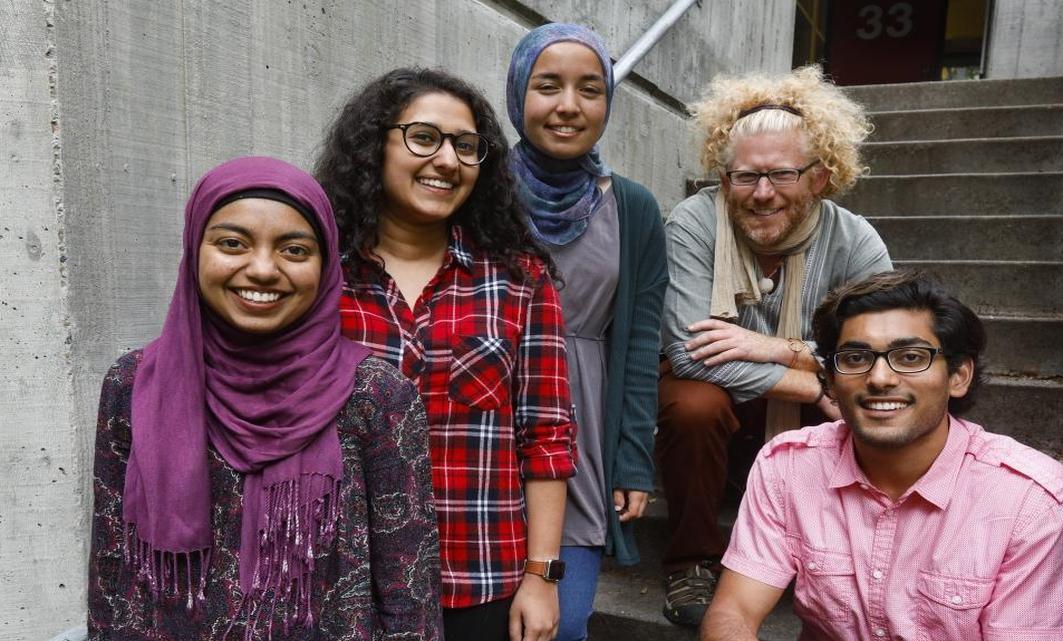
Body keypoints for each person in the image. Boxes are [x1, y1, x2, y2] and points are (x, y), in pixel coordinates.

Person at [86, 156, 442, 641]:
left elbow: (409, 588)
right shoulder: (134, 385)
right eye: (232, 243)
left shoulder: (376, 395)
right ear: (194, 249)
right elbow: (110, 567)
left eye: (294, 250)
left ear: (325, 264)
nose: (261, 269)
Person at [703, 269, 1063, 640]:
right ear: (830, 380)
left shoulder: (1034, 503)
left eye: (910, 357)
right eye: (856, 358)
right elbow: (732, 612)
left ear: (959, 376)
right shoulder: (788, 465)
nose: (879, 378)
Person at [319, 68, 576, 641]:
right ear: (373, 147)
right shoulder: (321, 277)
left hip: (482, 579)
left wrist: (542, 576)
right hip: (344, 580)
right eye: (423, 137)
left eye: (466, 146)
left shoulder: (519, 280)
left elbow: (547, 435)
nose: (447, 160)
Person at [655, 66, 892, 627]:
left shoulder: (854, 239)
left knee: (869, 399)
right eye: (745, 177)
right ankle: (692, 561)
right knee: (692, 401)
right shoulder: (695, 221)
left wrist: (774, 347)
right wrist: (815, 377)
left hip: (806, 401)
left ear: (820, 175)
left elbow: (879, 349)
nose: (762, 194)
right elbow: (690, 352)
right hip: (731, 398)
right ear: (724, 175)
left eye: (782, 175)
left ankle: (838, 558)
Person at [503, 23, 669, 641]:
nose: (569, 105)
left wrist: (632, 461)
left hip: (582, 427)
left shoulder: (634, 207)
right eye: (548, 86)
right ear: (518, 92)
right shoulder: (474, 189)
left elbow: (641, 341)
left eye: (590, 89)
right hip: (480, 419)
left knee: (561, 625)